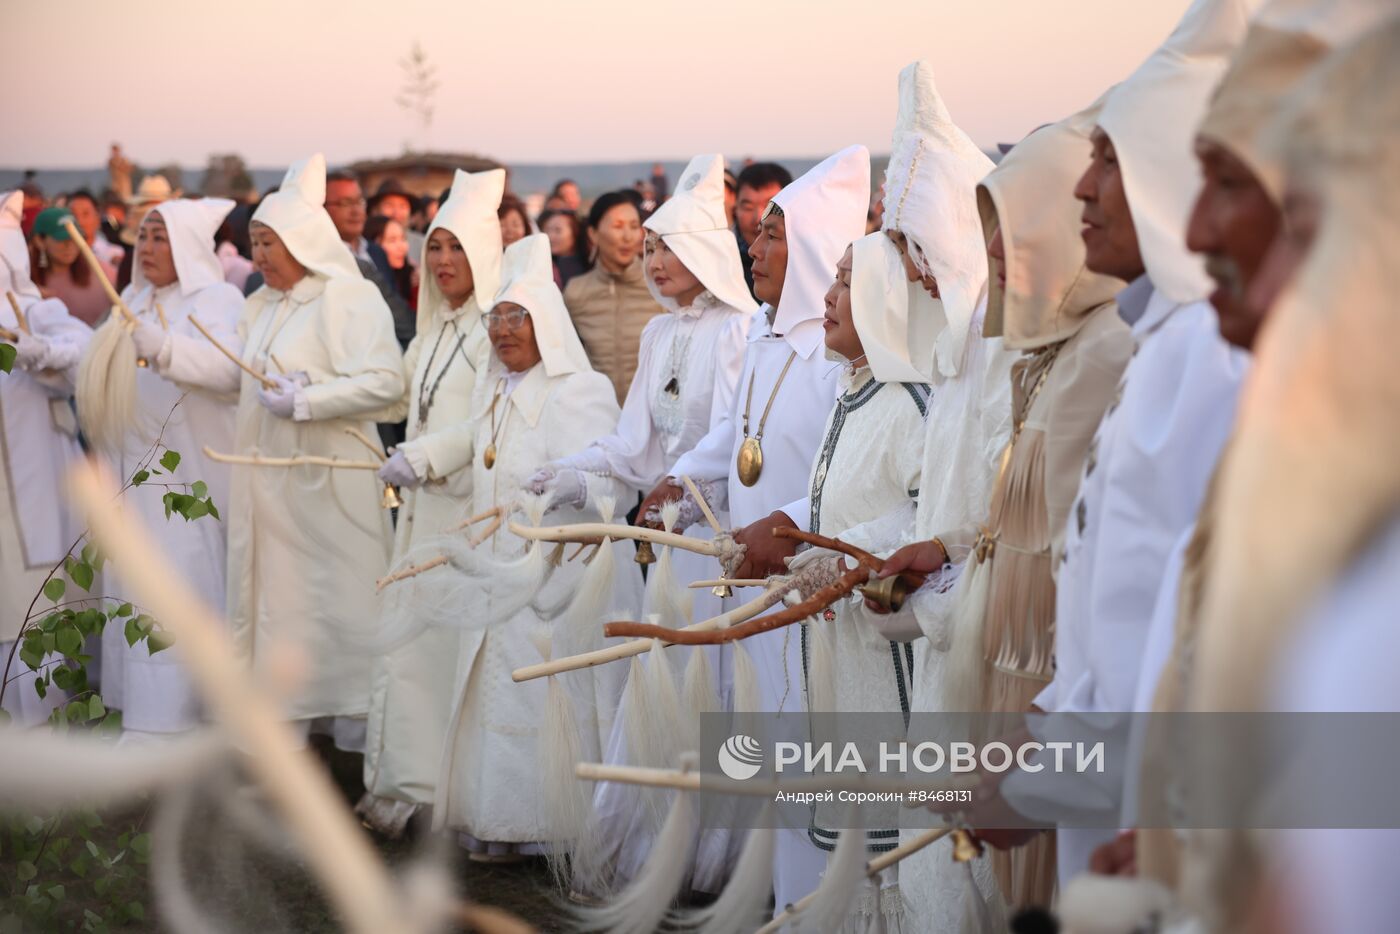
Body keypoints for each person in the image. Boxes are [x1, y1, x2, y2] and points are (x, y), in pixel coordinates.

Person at [989, 0, 1253, 887]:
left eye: (1107, 159)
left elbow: (1178, 621)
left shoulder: (1213, 356)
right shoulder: (1165, 336)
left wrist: (1040, 779)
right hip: (1106, 781)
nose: (1081, 190)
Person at [888, 108, 1134, 915]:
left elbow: (1089, 557)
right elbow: (1013, 519)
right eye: (988, 232)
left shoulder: (1106, 351)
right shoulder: (1049, 354)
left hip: (1055, 685)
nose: (992, 253)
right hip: (1008, 663)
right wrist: (951, 546)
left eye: (1009, 230)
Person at [643, 145, 870, 915]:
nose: (755, 248)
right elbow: (739, 433)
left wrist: (798, 528)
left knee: (809, 751)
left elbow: (852, 471)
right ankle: (770, 894)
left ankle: (814, 906)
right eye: (758, 233)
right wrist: (687, 473)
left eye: (774, 235)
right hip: (753, 592)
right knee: (761, 747)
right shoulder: (771, 339)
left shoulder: (836, 353)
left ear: (811, 249)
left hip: (812, 592)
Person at [527, 153, 755, 895]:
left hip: (721, 536)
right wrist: (573, 470)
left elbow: (735, 435)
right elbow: (633, 444)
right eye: (649, 248)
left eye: (667, 249)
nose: (653, 263)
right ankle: (652, 846)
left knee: (711, 684)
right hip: (661, 534)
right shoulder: (660, 335)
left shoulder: (743, 333)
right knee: (657, 679)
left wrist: (681, 489)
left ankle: (716, 854)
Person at [436, 233, 631, 860]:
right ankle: (498, 822)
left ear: (546, 323)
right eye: (496, 318)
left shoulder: (580, 389)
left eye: (518, 317)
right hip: (495, 574)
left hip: (550, 580)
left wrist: (567, 486)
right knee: (493, 696)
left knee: (540, 699)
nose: (504, 330)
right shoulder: (493, 390)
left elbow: (611, 485)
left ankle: (547, 824)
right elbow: (479, 456)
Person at [225, 153, 405, 752]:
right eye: (252, 242)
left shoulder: (347, 298)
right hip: (271, 490)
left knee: (339, 604)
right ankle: (286, 736)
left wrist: (310, 399)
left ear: (301, 242)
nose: (258, 255)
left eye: (267, 241)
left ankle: (359, 740)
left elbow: (386, 382)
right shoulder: (262, 305)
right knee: (282, 611)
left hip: (328, 490)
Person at [788, 233, 934, 928]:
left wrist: (850, 556)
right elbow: (837, 504)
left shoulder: (908, 401)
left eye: (845, 280)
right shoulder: (856, 394)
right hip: (842, 645)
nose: (827, 294)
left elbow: (928, 512)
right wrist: (805, 546)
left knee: (893, 833)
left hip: (888, 648)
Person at [358, 168, 504, 837]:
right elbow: (404, 396)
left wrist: (427, 455)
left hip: (468, 515)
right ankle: (410, 784)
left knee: (448, 654)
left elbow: (497, 418)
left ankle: (449, 790)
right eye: (435, 248)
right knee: (414, 649)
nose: (444, 262)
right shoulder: (436, 329)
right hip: (420, 512)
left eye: (457, 249)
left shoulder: (499, 328)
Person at [84, 197, 246, 739]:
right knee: (136, 582)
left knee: (182, 584)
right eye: (144, 236)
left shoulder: (219, 298)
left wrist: (167, 349)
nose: (148, 248)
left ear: (190, 247)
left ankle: (187, 717)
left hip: (187, 477)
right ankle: (144, 715)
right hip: (135, 474)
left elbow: (231, 373)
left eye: (161, 236)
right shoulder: (130, 296)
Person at [0, 189, 92, 727]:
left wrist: (40, 352)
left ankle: (45, 733)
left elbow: (86, 356)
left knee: (31, 600)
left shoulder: (36, 309)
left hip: (33, 485)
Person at [563, 192, 664, 405]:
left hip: (651, 419)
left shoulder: (659, 286)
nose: (628, 236)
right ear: (593, 234)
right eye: (617, 226)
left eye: (634, 226)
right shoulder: (576, 292)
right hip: (595, 417)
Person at [323, 171, 414, 349]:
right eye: (345, 203)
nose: (356, 210)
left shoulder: (376, 252)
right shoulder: (320, 259)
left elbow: (393, 307)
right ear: (322, 208)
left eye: (359, 201)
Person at [28, 207, 111, 326]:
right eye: (61, 239)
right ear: (40, 241)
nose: (69, 245)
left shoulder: (100, 270)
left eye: (74, 238)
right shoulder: (25, 276)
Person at [733, 162, 792, 298]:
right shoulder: (723, 268)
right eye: (748, 207)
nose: (759, 217)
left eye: (769, 206)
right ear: (735, 208)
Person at [67, 189, 125, 271]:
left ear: (97, 216)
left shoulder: (114, 253)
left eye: (85, 214)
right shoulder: (62, 256)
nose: (79, 221)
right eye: (73, 214)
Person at [369, 178, 425, 263]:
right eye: (389, 205)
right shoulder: (364, 245)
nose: (397, 213)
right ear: (375, 211)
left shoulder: (423, 245)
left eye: (402, 206)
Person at [364, 215, 415, 308]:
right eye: (392, 240)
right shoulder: (367, 284)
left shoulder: (413, 279)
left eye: (403, 239)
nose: (401, 247)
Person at [538, 208, 587, 287]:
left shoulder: (586, 268)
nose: (550, 236)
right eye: (547, 230)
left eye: (558, 230)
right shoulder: (543, 266)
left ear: (575, 232)